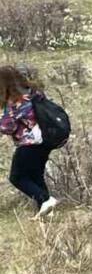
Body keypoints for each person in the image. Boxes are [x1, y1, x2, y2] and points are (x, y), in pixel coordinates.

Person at [0, 66, 58, 218]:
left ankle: (45, 199)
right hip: (45, 141)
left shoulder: (16, 101)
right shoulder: (33, 93)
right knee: (35, 176)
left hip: (29, 143)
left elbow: (7, 126)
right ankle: (46, 213)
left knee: (17, 177)